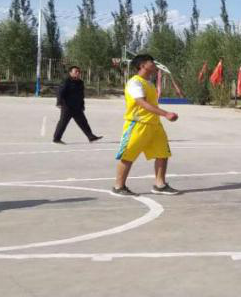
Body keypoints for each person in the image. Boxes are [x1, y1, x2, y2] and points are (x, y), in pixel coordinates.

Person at [111, 54, 180, 197]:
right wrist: (166, 114)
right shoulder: (135, 82)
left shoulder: (149, 83)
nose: (154, 65)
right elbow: (142, 103)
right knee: (128, 155)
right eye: (151, 62)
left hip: (154, 125)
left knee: (162, 154)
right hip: (137, 125)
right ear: (142, 65)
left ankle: (160, 185)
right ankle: (119, 186)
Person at [52, 66, 102, 144]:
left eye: (79, 72)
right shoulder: (66, 81)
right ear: (70, 73)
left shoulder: (80, 82)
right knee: (63, 123)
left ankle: (91, 137)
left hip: (77, 107)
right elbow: (60, 92)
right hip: (67, 107)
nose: (78, 73)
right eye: (76, 71)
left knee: (83, 122)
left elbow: (81, 95)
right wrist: (59, 102)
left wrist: (82, 105)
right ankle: (56, 139)